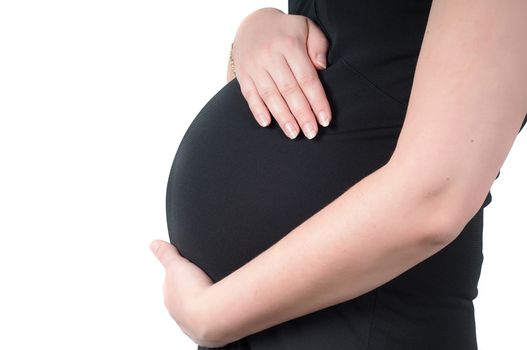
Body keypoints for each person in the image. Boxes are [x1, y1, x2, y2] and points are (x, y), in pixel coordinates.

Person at [150, 1, 527, 349]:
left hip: (369, 324)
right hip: (256, 318)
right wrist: (256, 32)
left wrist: (210, 315)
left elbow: (437, 196)